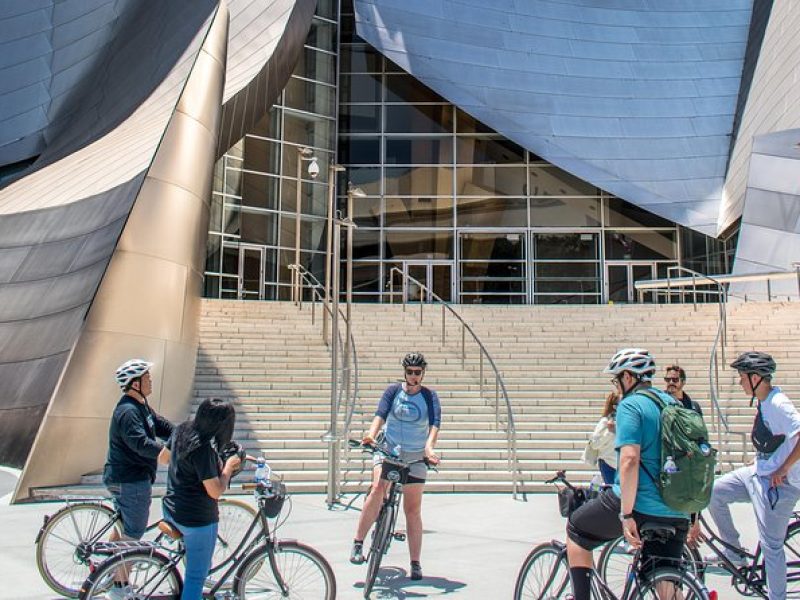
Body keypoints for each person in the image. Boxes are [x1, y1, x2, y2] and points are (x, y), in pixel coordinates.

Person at [565, 348, 690, 600]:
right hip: (677, 509)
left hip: (640, 503)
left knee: (576, 530)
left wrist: (627, 514)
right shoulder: (674, 403)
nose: (618, 387)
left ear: (628, 377)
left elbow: (630, 459)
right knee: (665, 582)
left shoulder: (631, 405)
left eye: (617, 380)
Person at [707, 351, 800, 600]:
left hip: (780, 484)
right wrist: (763, 459)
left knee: (772, 546)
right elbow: (776, 440)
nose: (739, 382)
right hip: (758, 473)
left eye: (742, 376)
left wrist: (783, 468)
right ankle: (735, 551)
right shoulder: (764, 400)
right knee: (714, 492)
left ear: (756, 377)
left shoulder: (779, 403)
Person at [350, 352, 441, 581]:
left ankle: (415, 562)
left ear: (423, 373)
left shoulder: (430, 397)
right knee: (377, 489)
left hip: (415, 454)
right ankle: (358, 543)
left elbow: (434, 425)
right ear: (404, 372)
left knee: (412, 509)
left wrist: (429, 449)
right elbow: (380, 415)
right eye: (410, 372)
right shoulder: (393, 392)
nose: (413, 377)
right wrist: (370, 435)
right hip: (389, 448)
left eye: (417, 373)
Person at [103, 359, 174, 599]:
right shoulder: (128, 411)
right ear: (135, 383)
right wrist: (165, 455)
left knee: (124, 526)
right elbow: (139, 442)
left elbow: (160, 425)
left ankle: (107, 570)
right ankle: (119, 587)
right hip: (130, 480)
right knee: (134, 531)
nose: (150, 380)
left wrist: (184, 433)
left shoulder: (140, 406)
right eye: (146, 377)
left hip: (125, 477)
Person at [161, 398, 242, 600]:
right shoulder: (203, 449)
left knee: (194, 567)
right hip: (196, 519)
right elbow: (215, 491)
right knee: (196, 578)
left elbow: (162, 458)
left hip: (171, 508)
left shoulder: (182, 430)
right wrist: (228, 468)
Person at [584, 390, 619, 484]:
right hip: (608, 462)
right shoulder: (605, 422)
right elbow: (594, 444)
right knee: (612, 492)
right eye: (617, 404)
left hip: (621, 463)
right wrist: (610, 432)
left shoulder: (625, 421)